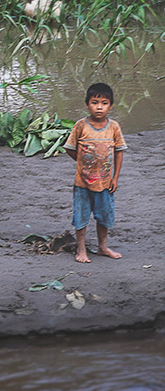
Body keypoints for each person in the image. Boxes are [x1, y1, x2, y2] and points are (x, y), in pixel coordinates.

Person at [64, 83, 126, 263]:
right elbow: (69, 147)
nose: (99, 107)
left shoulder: (113, 127)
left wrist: (115, 178)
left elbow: (119, 152)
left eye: (104, 103)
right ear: (87, 105)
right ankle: (81, 249)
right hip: (82, 183)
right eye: (94, 102)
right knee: (81, 216)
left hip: (105, 183)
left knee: (104, 215)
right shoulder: (80, 126)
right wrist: (82, 161)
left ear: (110, 106)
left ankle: (102, 247)